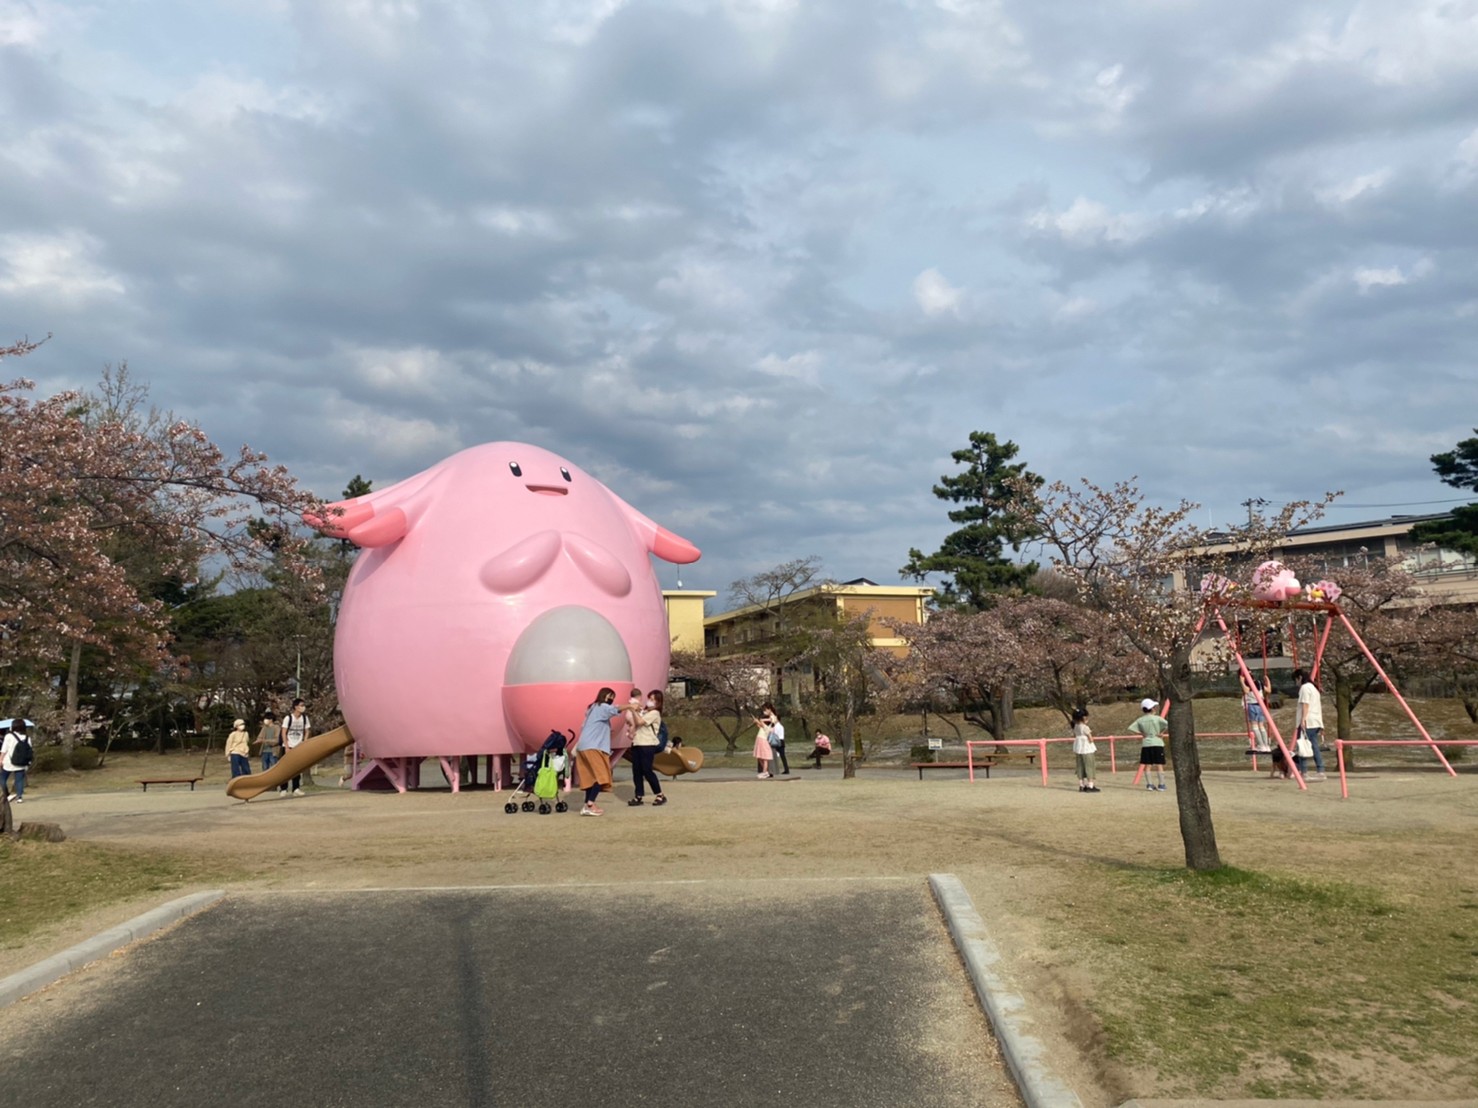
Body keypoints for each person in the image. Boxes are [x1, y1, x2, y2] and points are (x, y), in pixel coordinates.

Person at [574, 687, 621, 816]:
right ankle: (590, 803)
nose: (612, 699)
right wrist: (631, 706)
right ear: (606, 696)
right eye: (611, 696)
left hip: (583, 747)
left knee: (590, 777)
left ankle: (587, 805)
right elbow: (615, 709)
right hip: (593, 747)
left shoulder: (592, 708)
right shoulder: (602, 707)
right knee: (602, 776)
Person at [627, 690, 667, 807]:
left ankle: (660, 794)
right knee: (636, 771)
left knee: (647, 770)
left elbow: (639, 722)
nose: (650, 701)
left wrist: (632, 710)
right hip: (637, 743)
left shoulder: (654, 713)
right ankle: (638, 795)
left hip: (647, 744)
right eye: (649, 698)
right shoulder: (644, 711)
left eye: (653, 699)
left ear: (658, 702)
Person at [1292, 669, 1326, 781]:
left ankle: (1304, 771)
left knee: (1302, 745)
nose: (1296, 683)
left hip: (1308, 721)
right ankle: (1320, 770)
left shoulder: (1305, 688)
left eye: (1296, 680)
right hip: (1315, 720)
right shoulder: (1314, 688)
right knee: (1314, 745)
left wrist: (1303, 720)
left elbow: (1305, 705)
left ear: (1300, 678)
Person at [1129, 697, 1168, 792]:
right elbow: (1167, 724)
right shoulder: (1157, 718)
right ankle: (1161, 785)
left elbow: (1131, 728)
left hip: (1146, 744)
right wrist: (1162, 732)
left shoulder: (1140, 720)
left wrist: (1142, 733)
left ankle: (1149, 785)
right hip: (1157, 742)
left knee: (1148, 765)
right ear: (1152, 708)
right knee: (1159, 764)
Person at [279, 698, 311, 796]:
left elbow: (307, 731)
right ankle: (283, 788)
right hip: (288, 745)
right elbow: (283, 732)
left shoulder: (305, 718)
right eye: (301, 705)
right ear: (296, 707)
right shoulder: (288, 718)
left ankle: (296, 788)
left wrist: (304, 742)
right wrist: (287, 746)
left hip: (298, 746)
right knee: (285, 768)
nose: (303, 707)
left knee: (297, 767)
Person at [2, 724, 32, 804]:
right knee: (19, 780)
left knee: (2, 779)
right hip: (22, 762)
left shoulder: (8, 736)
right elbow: (29, 750)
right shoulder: (27, 737)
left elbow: (4, 750)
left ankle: (7, 795)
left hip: (9, 762)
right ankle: (19, 797)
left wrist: (1, 759)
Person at [1242, 675, 1272, 752]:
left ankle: (1261, 745)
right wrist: (1268, 681)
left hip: (1252, 705)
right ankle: (1266, 745)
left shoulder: (1248, 683)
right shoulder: (1259, 683)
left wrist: (1241, 681)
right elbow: (1268, 690)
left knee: (1255, 726)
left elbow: (1246, 690)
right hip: (1261, 705)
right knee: (1261, 726)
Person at [1072, 708, 1099, 793]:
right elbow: (1090, 739)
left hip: (1078, 748)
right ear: (1084, 718)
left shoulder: (1075, 727)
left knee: (1080, 766)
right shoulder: (1085, 727)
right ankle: (1090, 785)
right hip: (1086, 748)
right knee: (1089, 765)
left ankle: (1081, 784)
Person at [761, 703, 790, 775]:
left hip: (777, 741)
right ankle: (786, 769)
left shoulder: (777, 725)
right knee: (782, 756)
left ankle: (775, 769)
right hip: (780, 740)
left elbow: (775, 733)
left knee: (775, 754)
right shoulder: (779, 726)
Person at [751, 710, 774, 778]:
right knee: (759, 757)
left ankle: (765, 772)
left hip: (763, 741)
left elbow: (761, 722)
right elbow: (759, 724)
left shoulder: (768, 726)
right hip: (760, 740)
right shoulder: (764, 725)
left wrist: (758, 720)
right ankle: (766, 772)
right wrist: (756, 721)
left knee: (765, 758)